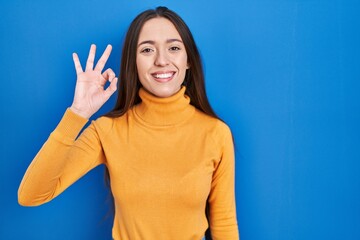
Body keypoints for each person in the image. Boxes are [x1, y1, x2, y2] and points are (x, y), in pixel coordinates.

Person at [18, 6, 239, 240]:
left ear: (188, 61)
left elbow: (224, 223)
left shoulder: (215, 133)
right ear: (133, 63)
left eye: (173, 48)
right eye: (147, 50)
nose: (161, 60)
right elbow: (32, 195)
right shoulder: (107, 130)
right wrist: (77, 114)